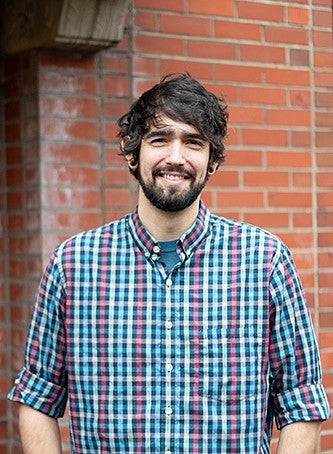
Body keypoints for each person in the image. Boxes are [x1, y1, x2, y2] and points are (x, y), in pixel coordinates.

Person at [8, 73, 330, 453]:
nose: (175, 157)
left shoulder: (266, 261)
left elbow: (301, 401)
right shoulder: (72, 265)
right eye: (160, 139)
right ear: (132, 154)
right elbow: (37, 398)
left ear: (212, 162)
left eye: (193, 142)